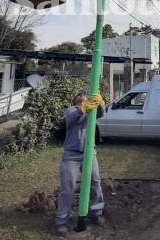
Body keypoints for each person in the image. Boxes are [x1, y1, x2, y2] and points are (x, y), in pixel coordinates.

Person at [55, 91, 106, 235]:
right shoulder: (71, 111)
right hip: (71, 155)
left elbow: (101, 114)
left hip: (90, 153)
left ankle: (96, 212)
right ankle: (62, 221)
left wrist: (101, 104)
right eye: (83, 99)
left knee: (95, 181)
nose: (86, 100)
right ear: (78, 101)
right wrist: (84, 108)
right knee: (68, 187)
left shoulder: (92, 112)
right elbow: (72, 118)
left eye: (88, 100)